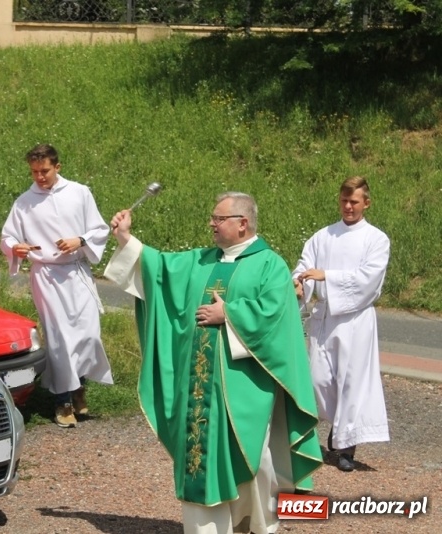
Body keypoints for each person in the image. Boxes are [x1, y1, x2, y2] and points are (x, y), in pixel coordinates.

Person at [104, 192, 322, 534]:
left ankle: (258, 525)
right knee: (199, 458)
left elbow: (276, 319)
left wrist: (229, 314)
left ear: (242, 223)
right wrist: (125, 238)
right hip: (198, 387)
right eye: (213, 218)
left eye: (219, 219)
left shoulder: (270, 265)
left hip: (245, 387)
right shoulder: (201, 260)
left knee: (256, 458)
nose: (211, 224)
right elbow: (159, 269)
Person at [0, 143, 113, 428]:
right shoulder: (24, 202)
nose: (39, 177)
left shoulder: (79, 192)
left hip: (76, 271)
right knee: (61, 339)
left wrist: (80, 240)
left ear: (57, 167)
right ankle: (62, 401)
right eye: (34, 172)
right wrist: (16, 248)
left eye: (45, 171)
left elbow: (99, 229)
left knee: (89, 335)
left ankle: (78, 386)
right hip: (47, 275)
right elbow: (7, 237)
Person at [292, 176, 390, 473]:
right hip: (325, 317)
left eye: (354, 202)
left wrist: (328, 277)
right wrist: (299, 283)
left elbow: (368, 279)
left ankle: (346, 446)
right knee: (319, 379)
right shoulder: (323, 236)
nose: (348, 207)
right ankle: (337, 426)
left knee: (351, 382)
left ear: (366, 203)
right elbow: (305, 265)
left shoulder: (376, 239)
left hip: (355, 319)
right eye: (344, 201)